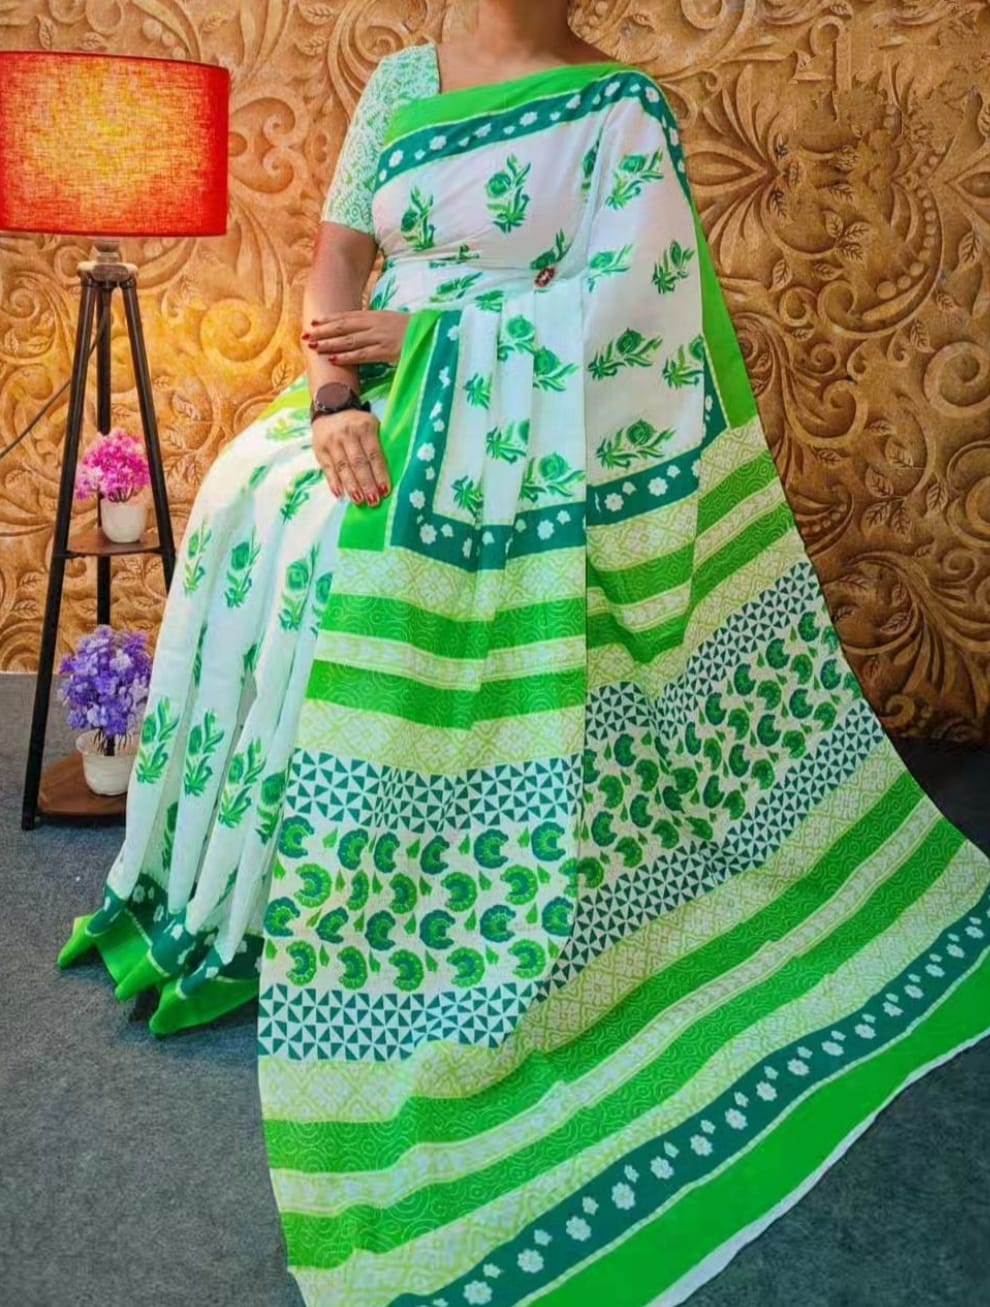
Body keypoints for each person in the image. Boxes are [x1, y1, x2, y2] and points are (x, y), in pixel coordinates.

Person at [60, 3, 990, 1305]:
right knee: (248, 498)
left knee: (365, 554)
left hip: (536, 426)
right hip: (378, 397)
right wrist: (333, 401)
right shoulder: (400, 85)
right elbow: (338, 264)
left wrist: (436, 344)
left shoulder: (619, 110)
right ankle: (241, 889)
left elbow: (638, 325)